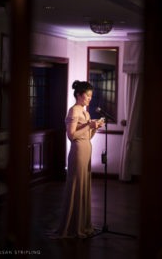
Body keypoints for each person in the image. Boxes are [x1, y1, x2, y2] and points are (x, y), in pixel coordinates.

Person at [48, 80, 104, 239]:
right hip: (78, 151)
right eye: (87, 95)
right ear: (78, 95)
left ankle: (82, 224)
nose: (90, 98)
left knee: (84, 187)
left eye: (91, 96)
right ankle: (72, 227)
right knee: (76, 187)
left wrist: (95, 128)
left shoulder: (86, 113)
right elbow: (71, 135)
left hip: (86, 149)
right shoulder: (73, 111)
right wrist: (89, 126)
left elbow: (88, 136)